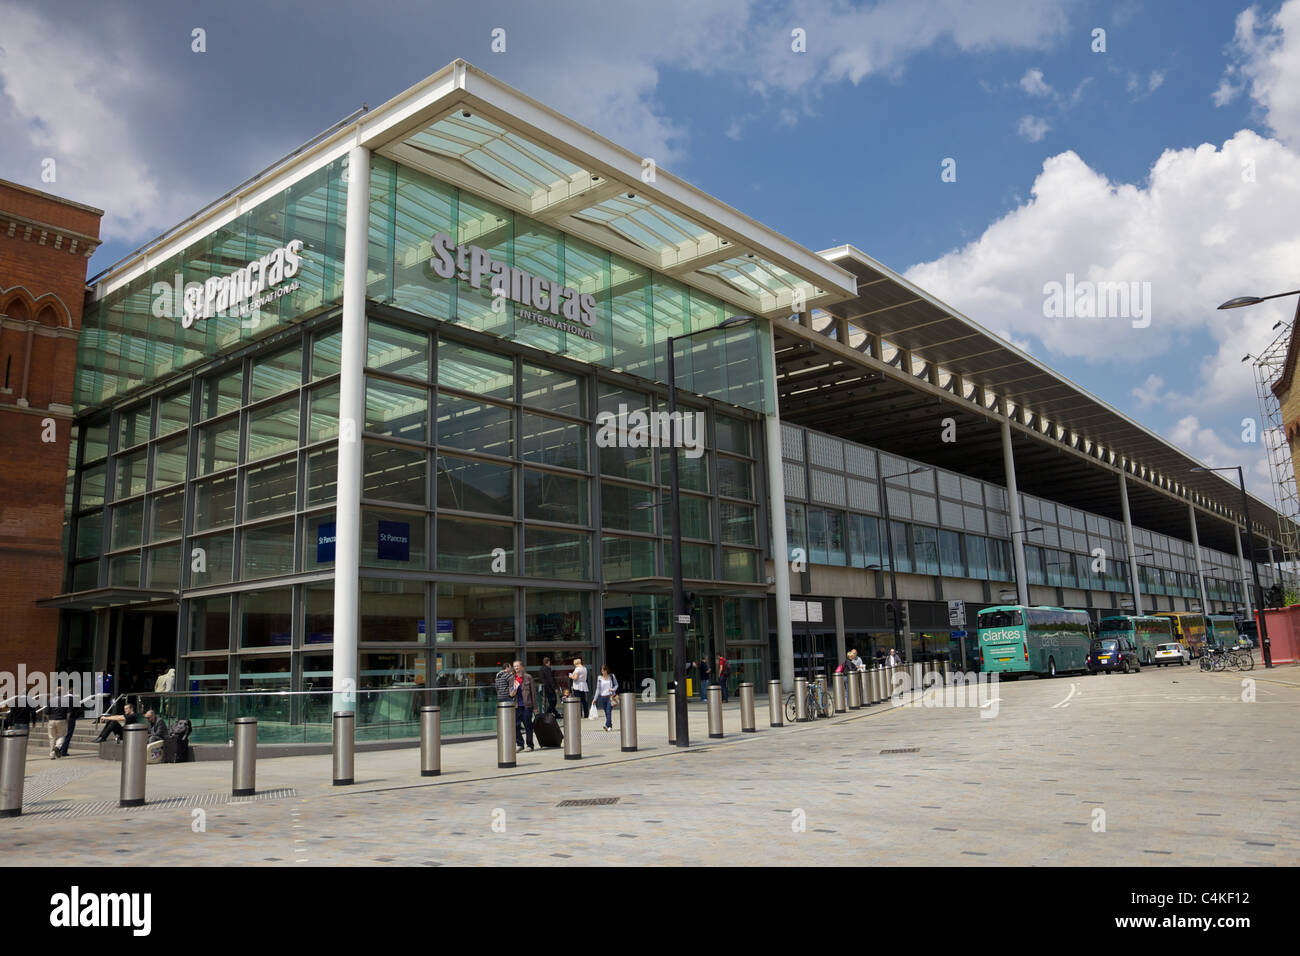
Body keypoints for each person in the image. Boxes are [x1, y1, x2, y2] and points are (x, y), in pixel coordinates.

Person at [508, 660, 536, 751]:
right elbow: (510, 694)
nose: (516, 668)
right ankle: (520, 744)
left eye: (517, 666)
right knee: (515, 725)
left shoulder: (528, 677)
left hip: (527, 705)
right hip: (516, 706)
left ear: (522, 667)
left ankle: (530, 745)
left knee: (528, 725)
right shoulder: (512, 679)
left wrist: (535, 707)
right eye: (514, 666)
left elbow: (533, 692)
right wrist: (513, 692)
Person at [46, 687, 72, 759]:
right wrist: (67, 720)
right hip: (61, 720)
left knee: (52, 738)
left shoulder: (50, 700)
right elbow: (68, 713)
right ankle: (57, 747)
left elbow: (47, 712)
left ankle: (52, 754)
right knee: (62, 735)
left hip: (51, 720)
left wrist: (49, 720)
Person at [594, 665, 618, 732]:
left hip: (610, 697)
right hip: (603, 697)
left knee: (608, 711)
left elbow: (616, 685)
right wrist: (595, 699)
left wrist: (613, 689)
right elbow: (598, 689)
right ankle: (610, 726)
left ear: (607, 670)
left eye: (604, 670)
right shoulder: (599, 678)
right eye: (602, 671)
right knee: (606, 712)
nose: (603, 672)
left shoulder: (611, 676)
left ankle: (606, 725)